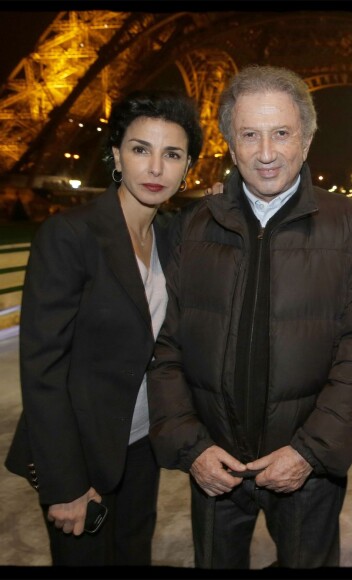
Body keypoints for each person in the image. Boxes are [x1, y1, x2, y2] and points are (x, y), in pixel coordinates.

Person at [147, 64, 352, 569]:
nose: (266, 152)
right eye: (250, 135)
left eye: (281, 133)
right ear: (231, 145)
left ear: (306, 138)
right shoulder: (192, 227)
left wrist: (310, 451)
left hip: (308, 467)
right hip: (215, 461)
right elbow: (165, 348)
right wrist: (193, 449)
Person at [4, 89, 203, 566]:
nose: (155, 168)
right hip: (80, 453)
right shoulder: (70, 235)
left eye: (172, 154)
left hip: (138, 446)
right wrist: (65, 483)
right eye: (141, 149)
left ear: (187, 166)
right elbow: (42, 370)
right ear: (116, 155)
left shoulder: (168, 238)